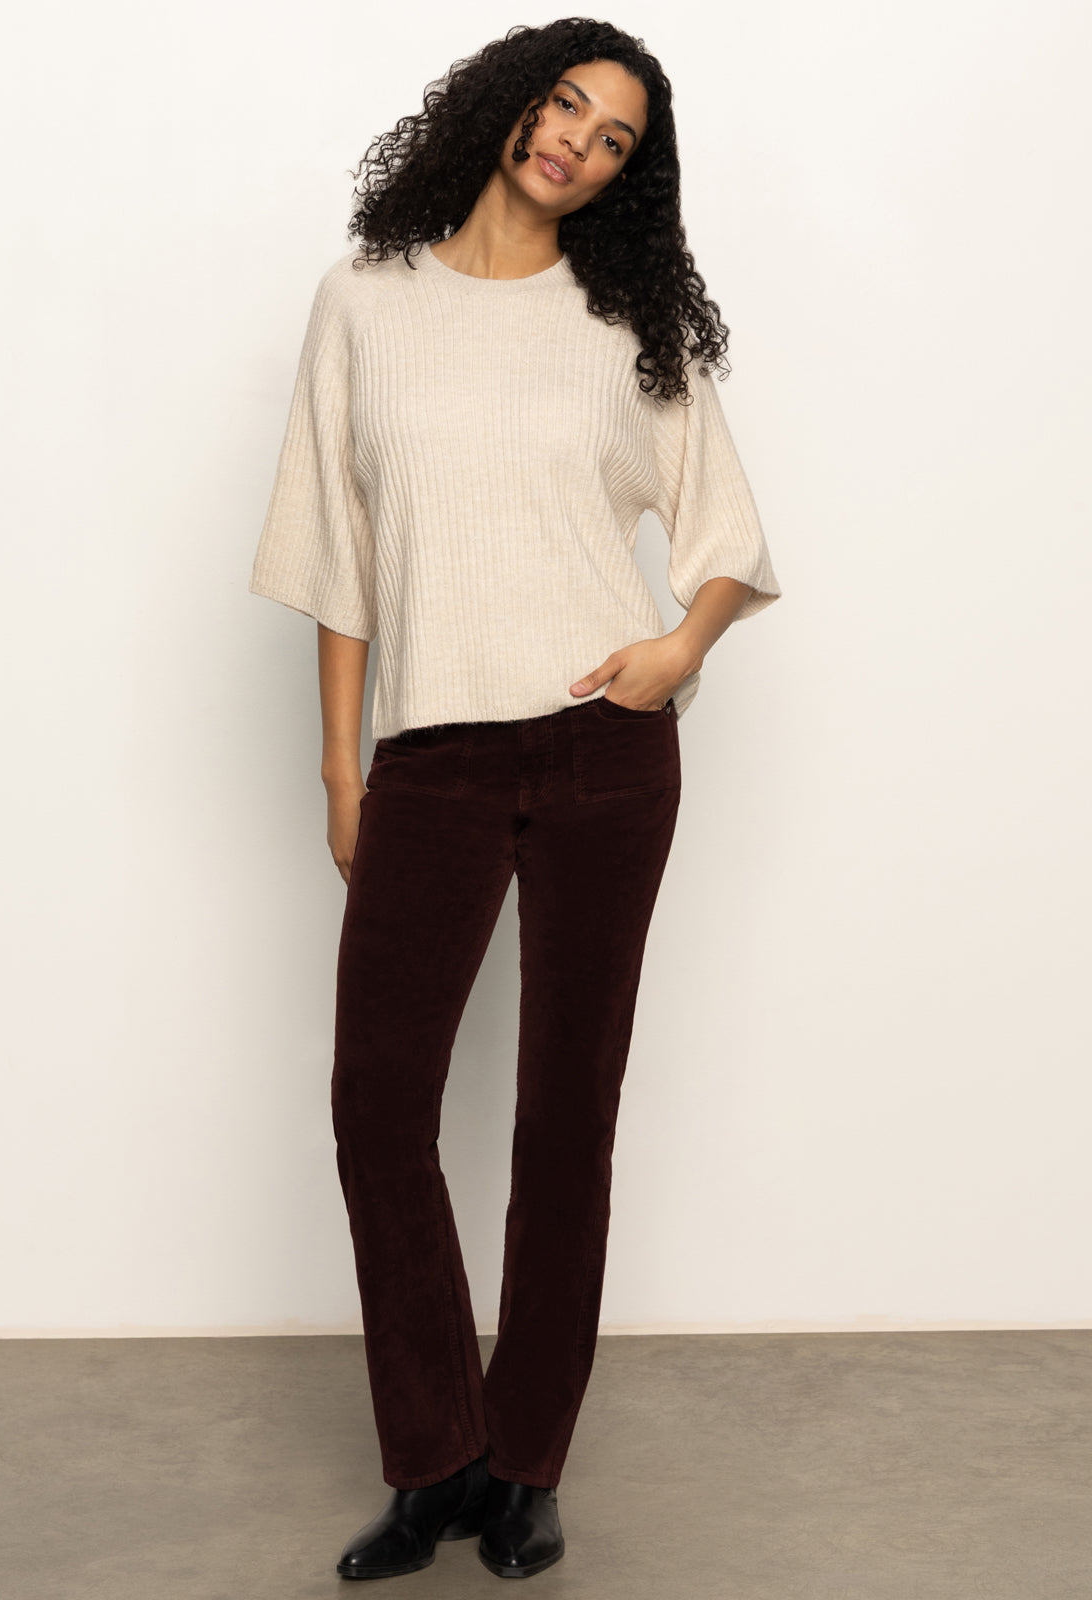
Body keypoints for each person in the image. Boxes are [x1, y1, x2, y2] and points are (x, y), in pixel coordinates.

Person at [249, 17, 782, 1583]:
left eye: (615, 140)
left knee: (565, 1116)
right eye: (566, 106)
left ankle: (530, 1463)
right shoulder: (364, 301)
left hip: (607, 751)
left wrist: (674, 650)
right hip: (431, 757)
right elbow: (338, 555)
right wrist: (341, 769)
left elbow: (727, 534)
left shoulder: (624, 326)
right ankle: (436, 1460)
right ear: (510, 101)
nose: (577, 145)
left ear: (627, 176)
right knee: (378, 1102)